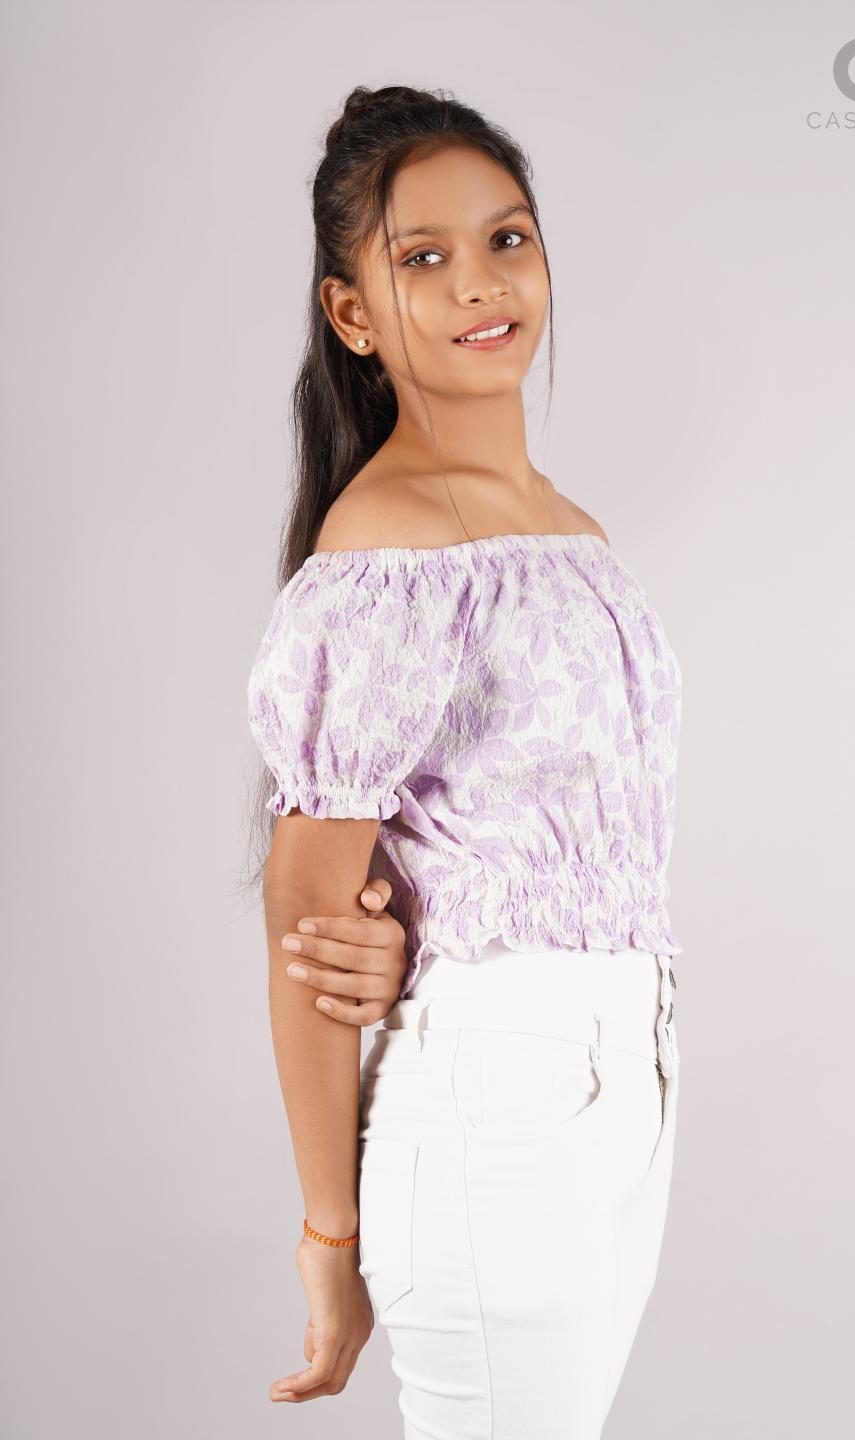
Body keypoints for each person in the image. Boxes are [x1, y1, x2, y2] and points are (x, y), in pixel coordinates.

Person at [246, 82, 683, 1438]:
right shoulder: (389, 547)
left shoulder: (563, 525)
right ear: (353, 315)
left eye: (507, 239)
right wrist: (331, 1239)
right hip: (500, 1104)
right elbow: (308, 908)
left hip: (620, 1088)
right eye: (422, 258)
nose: (480, 284)